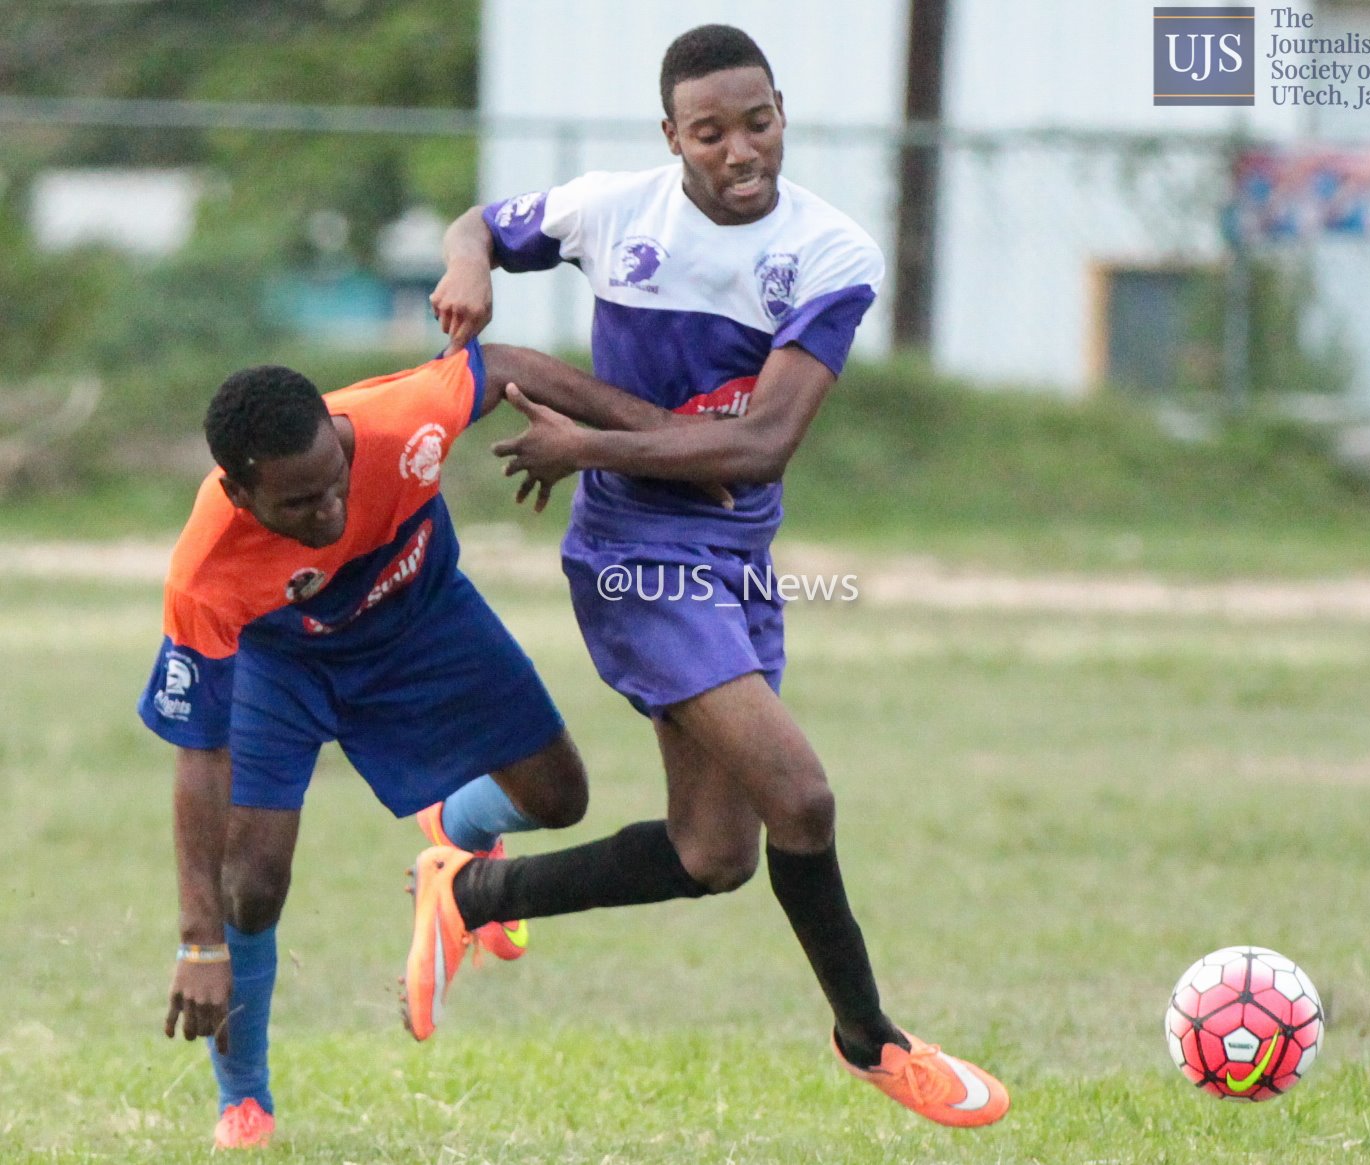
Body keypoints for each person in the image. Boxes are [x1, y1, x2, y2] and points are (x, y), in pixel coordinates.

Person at [406, 24, 1010, 1129]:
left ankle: (471, 889)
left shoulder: (831, 254)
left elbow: (760, 447)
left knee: (712, 852)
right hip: (636, 558)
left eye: (758, 123)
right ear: (671, 136)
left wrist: (585, 443)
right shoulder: (612, 211)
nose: (741, 151)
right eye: (710, 131)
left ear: (782, 114)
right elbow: (479, 224)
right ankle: (872, 1040)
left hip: (737, 559)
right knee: (802, 796)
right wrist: (466, 264)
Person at [139, 340, 692, 1149]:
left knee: (560, 797)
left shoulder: (402, 419)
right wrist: (199, 941)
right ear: (239, 492)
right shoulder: (206, 571)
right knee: (250, 884)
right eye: (299, 503)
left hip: (423, 619)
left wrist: (667, 439)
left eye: (336, 480)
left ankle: (453, 836)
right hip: (281, 663)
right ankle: (244, 1099)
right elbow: (200, 752)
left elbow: (509, 366)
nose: (329, 510)